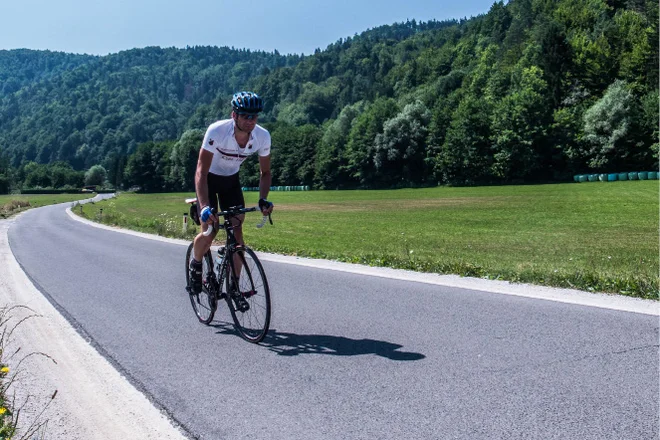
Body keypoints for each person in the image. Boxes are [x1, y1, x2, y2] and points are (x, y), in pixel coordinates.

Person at [189, 91, 274, 304]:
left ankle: (234, 287)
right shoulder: (217, 131)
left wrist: (263, 199)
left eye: (254, 116)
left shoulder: (262, 136)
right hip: (208, 181)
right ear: (234, 115)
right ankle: (196, 263)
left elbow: (265, 173)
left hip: (231, 182)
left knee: (237, 236)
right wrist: (205, 205)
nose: (250, 121)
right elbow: (200, 170)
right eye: (245, 116)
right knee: (210, 231)